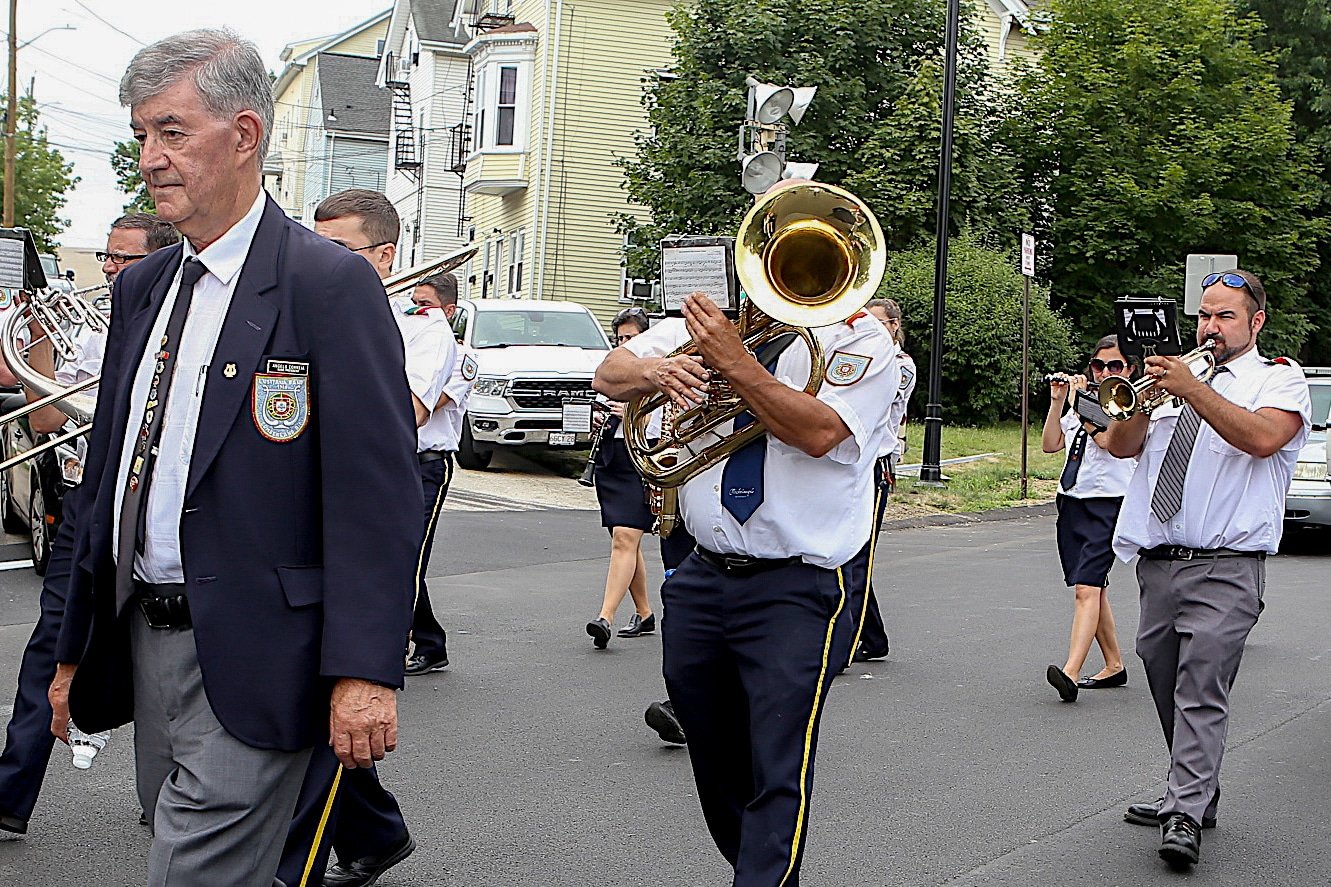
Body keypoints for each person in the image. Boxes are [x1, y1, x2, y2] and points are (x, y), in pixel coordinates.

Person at [46, 30, 421, 887]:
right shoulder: (144, 287)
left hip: (259, 651)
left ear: (245, 135)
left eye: (172, 132)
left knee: (193, 870)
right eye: (142, 135)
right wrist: (71, 650)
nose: (149, 157)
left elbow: (376, 496)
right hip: (146, 641)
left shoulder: (325, 282)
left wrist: (365, 670)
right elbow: (105, 481)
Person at [595, 265, 897, 885]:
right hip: (704, 575)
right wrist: (659, 371)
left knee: (777, 762)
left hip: (800, 583)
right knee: (714, 755)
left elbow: (818, 432)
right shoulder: (720, 327)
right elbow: (608, 374)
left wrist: (736, 365)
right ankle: (759, 870)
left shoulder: (862, 340)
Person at [278, 189, 458, 887]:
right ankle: (374, 829)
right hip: (308, 491)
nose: (321, 260)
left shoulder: (420, 327)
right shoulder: (307, 308)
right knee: (302, 678)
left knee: (339, 668)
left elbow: (400, 418)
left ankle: (293, 863)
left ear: (384, 257)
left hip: (391, 480)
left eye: (340, 248)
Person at [1102, 269, 1309, 869]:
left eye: (1224, 317)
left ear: (1255, 323)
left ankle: (1185, 810)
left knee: (1199, 688)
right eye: (1203, 315)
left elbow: (1262, 439)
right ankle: (1196, 789)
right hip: (1160, 561)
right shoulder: (1173, 380)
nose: (1209, 327)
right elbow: (1120, 445)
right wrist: (1141, 394)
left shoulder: (1277, 379)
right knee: (1162, 675)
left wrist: (1192, 389)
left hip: (1228, 564)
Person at [0, 214, 177, 835]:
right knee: (52, 649)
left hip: (156, 513)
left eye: (121, 260)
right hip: (86, 505)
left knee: (187, 655)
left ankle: (363, 823)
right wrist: (32, 343)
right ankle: (9, 794)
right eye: (105, 256)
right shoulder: (88, 331)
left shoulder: (180, 324)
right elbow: (47, 422)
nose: (106, 269)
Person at [1041, 335, 1135, 702]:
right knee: (1093, 587)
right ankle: (1113, 664)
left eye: (1115, 366)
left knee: (1086, 589)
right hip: (1073, 501)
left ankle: (1071, 672)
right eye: (1099, 366)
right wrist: (1058, 403)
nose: (1105, 372)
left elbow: (1107, 442)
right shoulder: (1080, 404)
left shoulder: (1127, 404)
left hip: (1109, 502)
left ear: (1129, 370)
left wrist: (1083, 405)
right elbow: (1051, 444)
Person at [401, 269, 476, 675]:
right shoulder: (409, 338)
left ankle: (397, 646)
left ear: (449, 310)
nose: (417, 310)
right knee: (399, 557)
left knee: (410, 557)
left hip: (429, 463)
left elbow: (431, 398)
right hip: (400, 459)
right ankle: (431, 641)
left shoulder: (459, 354)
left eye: (425, 304)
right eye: (414, 303)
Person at [843, 298, 917, 665]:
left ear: (893, 326)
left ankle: (848, 641)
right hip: (852, 461)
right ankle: (872, 636)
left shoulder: (900, 365)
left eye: (875, 324)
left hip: (876, 463)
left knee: (860, 557)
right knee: (847, 551)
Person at [585, 306, 658, 648]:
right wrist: (599, 420)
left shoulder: (660, 366)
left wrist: (633, 412)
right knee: (623, 539)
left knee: (625, 538)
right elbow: (596, 399)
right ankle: (644, 612)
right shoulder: (616, 367)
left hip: (641, 457)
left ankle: (605, 616)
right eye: (620, 338)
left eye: (631, 337)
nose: (625, 343)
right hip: (612, 459)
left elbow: (671, 419)